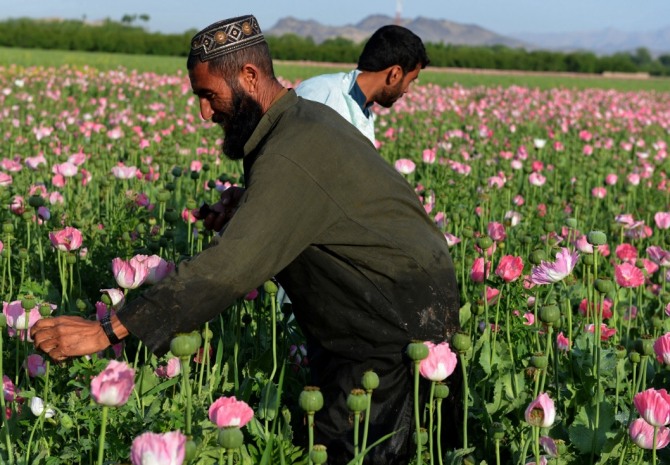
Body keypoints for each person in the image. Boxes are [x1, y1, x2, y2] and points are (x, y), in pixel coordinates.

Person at [31, 15, 459, 465]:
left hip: (393, 329)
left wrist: (106, 330)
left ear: (249, 76)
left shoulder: (291, 150)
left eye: (209, 95)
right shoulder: (300, 121)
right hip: (385, 310)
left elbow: (228, 269)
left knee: (356, 452)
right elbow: (323, 205)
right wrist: (250, 204)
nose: (205, 113)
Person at [295, 25, 429, 144]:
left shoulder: (364, 111)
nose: (406, 90)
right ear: (395, 75)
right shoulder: (320, 91)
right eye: (410, 80)